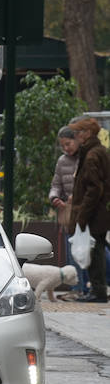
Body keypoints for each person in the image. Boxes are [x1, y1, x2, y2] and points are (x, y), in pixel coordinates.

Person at [67, 116, 110, 303]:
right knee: (97, 249)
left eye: (78, 132)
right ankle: (97, 290)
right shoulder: (99, 151)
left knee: (95, 252)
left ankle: (98, 291)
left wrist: (82, 215)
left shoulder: (92, 154)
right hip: (99, 212)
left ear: (88, 133)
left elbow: (94, 188)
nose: (76, 136)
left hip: (94, 214)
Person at [49, 126, 86, 298]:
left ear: (77, 140)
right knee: (71, 251)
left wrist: (76, 196)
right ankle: (77, 288)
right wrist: (54, 197)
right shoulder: (62, 161)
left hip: (84, 211)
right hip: (68, 213)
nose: (66, 148)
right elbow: (56, 184)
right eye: (63, 145)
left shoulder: (86, 158)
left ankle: (84, 287)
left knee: (84, 251)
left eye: (68, 144)